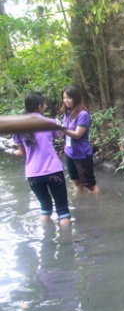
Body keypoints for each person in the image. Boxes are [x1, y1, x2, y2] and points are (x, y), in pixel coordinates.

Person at [10, 92, 71, 227]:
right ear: (39, 106)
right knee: (62, 211)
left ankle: (46, 240)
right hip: (53, 170)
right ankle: (67, 242)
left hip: (33, 175)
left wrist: (12, 151)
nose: (46, 106)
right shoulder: (49, 123)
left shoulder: (18, 126)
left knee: (45, 209)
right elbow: (57, 136)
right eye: (44, 104)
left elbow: (22, 153)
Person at [61, 85, 99, 194]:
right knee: (76, 182)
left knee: (90, 186)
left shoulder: (83, 114)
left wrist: (61, 129)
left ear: (76, 98)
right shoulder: (67, 113)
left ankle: (95, 207)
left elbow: (77, 134)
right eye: (64, 98)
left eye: (69, 98)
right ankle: (80, 205)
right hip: (69, 152)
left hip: (81, 154)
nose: (66, 101)